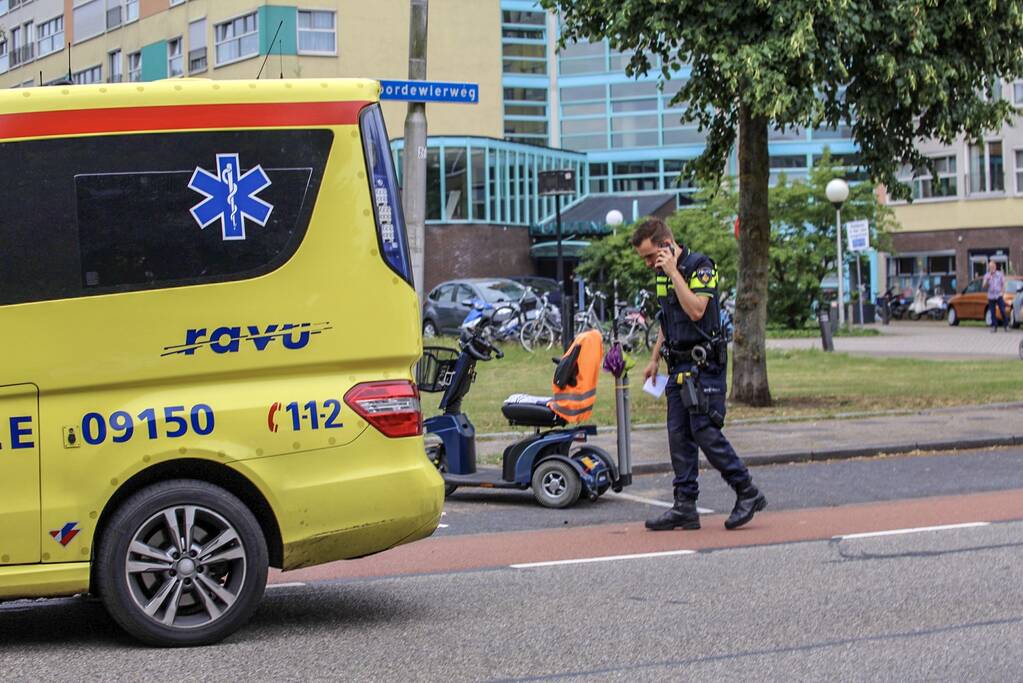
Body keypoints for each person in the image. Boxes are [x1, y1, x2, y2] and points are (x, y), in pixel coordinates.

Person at [632, 218, 766, 531]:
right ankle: (685, 506)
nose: (648, 263)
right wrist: (654, 359)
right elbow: (668, 317)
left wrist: (673, 273)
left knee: (704, 430)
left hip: (704, 366)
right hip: (678, 366)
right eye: (644, 258)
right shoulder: (663, 274)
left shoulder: (701, 267)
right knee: (678, 435)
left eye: (650, 256)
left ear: (666, 245)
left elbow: (696, 310)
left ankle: (747, 490)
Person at [983, 260, 1008, 333]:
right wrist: (987, 281)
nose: (991, 268)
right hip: (991, 296)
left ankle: (1006, 325)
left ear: (995, 267)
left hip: (999, 295)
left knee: (1002, 310)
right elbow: (984, 286)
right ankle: (994, 326)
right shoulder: (987, 275)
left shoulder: (1000, 274)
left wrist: (1003, 292)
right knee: (992, 312)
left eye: (993, 266)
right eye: (990, 267)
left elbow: (1003, 284)